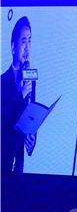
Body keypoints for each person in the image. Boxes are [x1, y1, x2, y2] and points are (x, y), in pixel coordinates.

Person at [1, 16, 36, 177]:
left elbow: (32, 114)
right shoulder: (2, 81)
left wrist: (32, 140)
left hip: (19, 164)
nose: (27, 47)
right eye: (23, 41)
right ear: (13, 46)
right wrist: (20, 94)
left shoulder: (31, 79)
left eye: (30, 40)